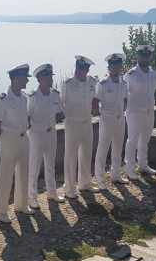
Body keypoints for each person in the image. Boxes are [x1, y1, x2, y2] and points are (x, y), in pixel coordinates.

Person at [0, 63, 35, 223]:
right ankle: (1, 211)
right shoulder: (3, 99)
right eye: (25, 77)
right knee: (6, 176)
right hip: (9, 140)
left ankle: (21, 205)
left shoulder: (24, 97)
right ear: (16, 78)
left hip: (24, 138)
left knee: (24, 173)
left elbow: (27, 118)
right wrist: (0, 140)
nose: (27, 81)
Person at [60, 55, 100, 198]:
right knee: (70, 156)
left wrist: (97, 109)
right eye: (78, 68)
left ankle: (85, 183)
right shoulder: (68, 83)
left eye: (83, 69)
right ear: (75, 67)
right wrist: (69, 116)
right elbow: (61, 103)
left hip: (87, 122)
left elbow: (94, 101)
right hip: (72, 123)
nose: (80, 71)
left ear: (87, 70)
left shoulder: (92, 82)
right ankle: (69, 188)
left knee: (86, 153)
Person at [27, 64, 66, 209]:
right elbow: (27, 117)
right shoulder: (32, 97)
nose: (50, 79)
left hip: (51, 132)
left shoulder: (55, 94)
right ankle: (32, 197)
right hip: (36, 134)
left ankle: (52, 193)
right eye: (47, 77)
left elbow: (59, 112)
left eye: (51, 76)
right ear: (39, 79)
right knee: (34, 167)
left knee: (51, 165)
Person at [123, 45, 156, 179]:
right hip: (134, 112)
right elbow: (124, 94)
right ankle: (129, 168)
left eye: (147, 56)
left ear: (149, 57)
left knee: (145, 139)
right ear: (138, 57)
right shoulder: (131, 74)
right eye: (142, 56)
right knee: (132, 140)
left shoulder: (153, 73)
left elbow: (154, 91)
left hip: (149, 111)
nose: (144, 58)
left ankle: (143, 165)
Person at [93, 53, 130, 190]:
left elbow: (125, 98)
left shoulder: (123, 84)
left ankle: (116, 174)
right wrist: (99, 113)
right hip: (107, 120)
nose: (115, 68)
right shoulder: (102, 84)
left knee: (117, 148)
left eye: (117, 66)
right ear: (109, 68)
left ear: (121, 67)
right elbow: (95, 101)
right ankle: (100, 178)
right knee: (102, 149)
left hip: (120, 119)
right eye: (112, 66)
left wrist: (123, 109)